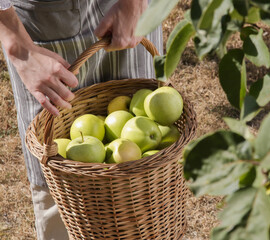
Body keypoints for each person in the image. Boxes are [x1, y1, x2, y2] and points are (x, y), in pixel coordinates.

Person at [0, 0, 163, 239]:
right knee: (62, 192)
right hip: (47, 19)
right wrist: (16, 41)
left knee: (143, 192)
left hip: (131, 12)